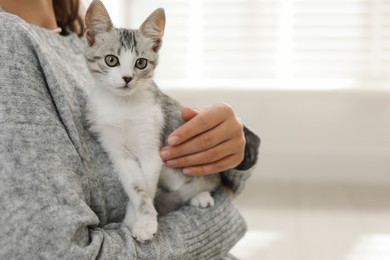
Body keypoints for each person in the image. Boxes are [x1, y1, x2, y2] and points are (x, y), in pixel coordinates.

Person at [0, 0, 260, 259]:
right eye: (113, 61)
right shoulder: (10, 44)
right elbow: (63, 253)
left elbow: (170, 153)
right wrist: (217, 217)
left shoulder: (73, 33)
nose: (126, 76)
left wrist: (239, 149)